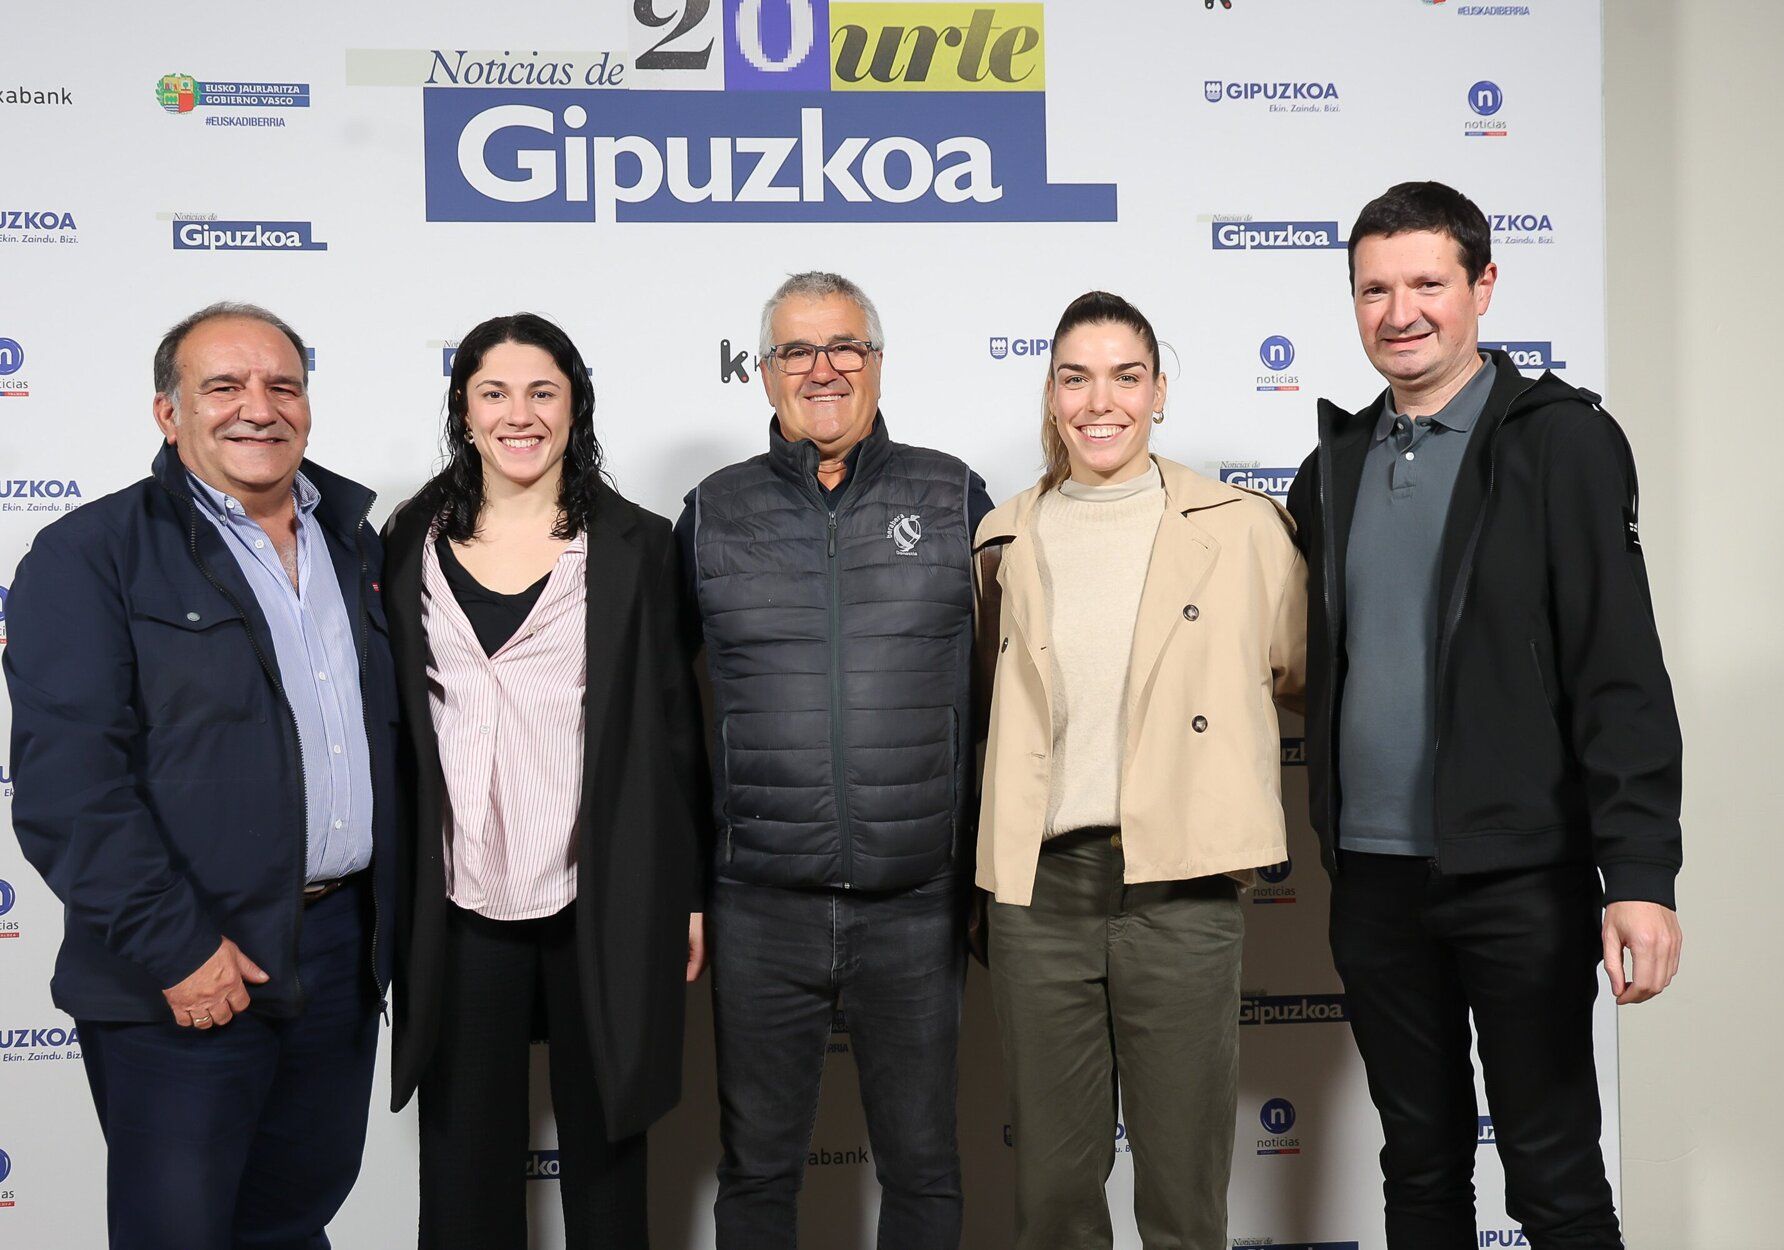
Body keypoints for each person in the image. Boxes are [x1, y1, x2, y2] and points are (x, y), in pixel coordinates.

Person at [1287, 181, 1684, 1249]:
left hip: (1521, 877)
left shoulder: (1561, 444)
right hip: (1373, 879)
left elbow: (1620, 670)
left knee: (1552, 1171)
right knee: (1417, 1167)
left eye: (1427, 282)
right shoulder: (1331, 469)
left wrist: (1640, 876)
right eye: (1375, 287)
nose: (1399, 310)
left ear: (1483, 288)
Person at [3, 302, 396, 1249]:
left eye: (282, 385)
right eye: (222, 386)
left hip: (338, 955)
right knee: (178, 1233)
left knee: (293, 1223)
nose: (257, 408)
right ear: (167, 411)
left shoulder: (359, 547)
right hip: (181, 968)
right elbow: (69, 788)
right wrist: (177, 948)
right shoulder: (89, 554)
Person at [972, 290, 1307, 1249]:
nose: (1099, 400)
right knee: (1053, 1193)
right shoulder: (1004, 536)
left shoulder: (1242, 527)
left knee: (1183, 1190)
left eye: (1125, 376)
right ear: (1049, 395)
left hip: (1181, 886)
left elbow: (1300, 674)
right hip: (1041, 895)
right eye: (1074, 377)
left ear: (1159, 391)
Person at [675, 271, 993, 1250]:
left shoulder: (954, 496)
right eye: (796, 352)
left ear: (878, 361)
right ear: (762, 373)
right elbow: (665, 718)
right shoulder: (712, 511)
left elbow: (1008, 697)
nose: (823, 369)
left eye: (844, 346)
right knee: (759, 1170)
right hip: (761, 902)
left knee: (925, 1166)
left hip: (917, 899)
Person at [379, 313, 711, 1249]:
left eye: (542, 392)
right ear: (464, 407)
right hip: (458, 901)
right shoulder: (407, 538)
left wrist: (685, 891)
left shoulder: (639, 547)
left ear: (575, 406)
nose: (518, 415)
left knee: (608, 1159)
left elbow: (674, 731)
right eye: (494, 392)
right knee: (461, 1164)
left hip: (599, 893)